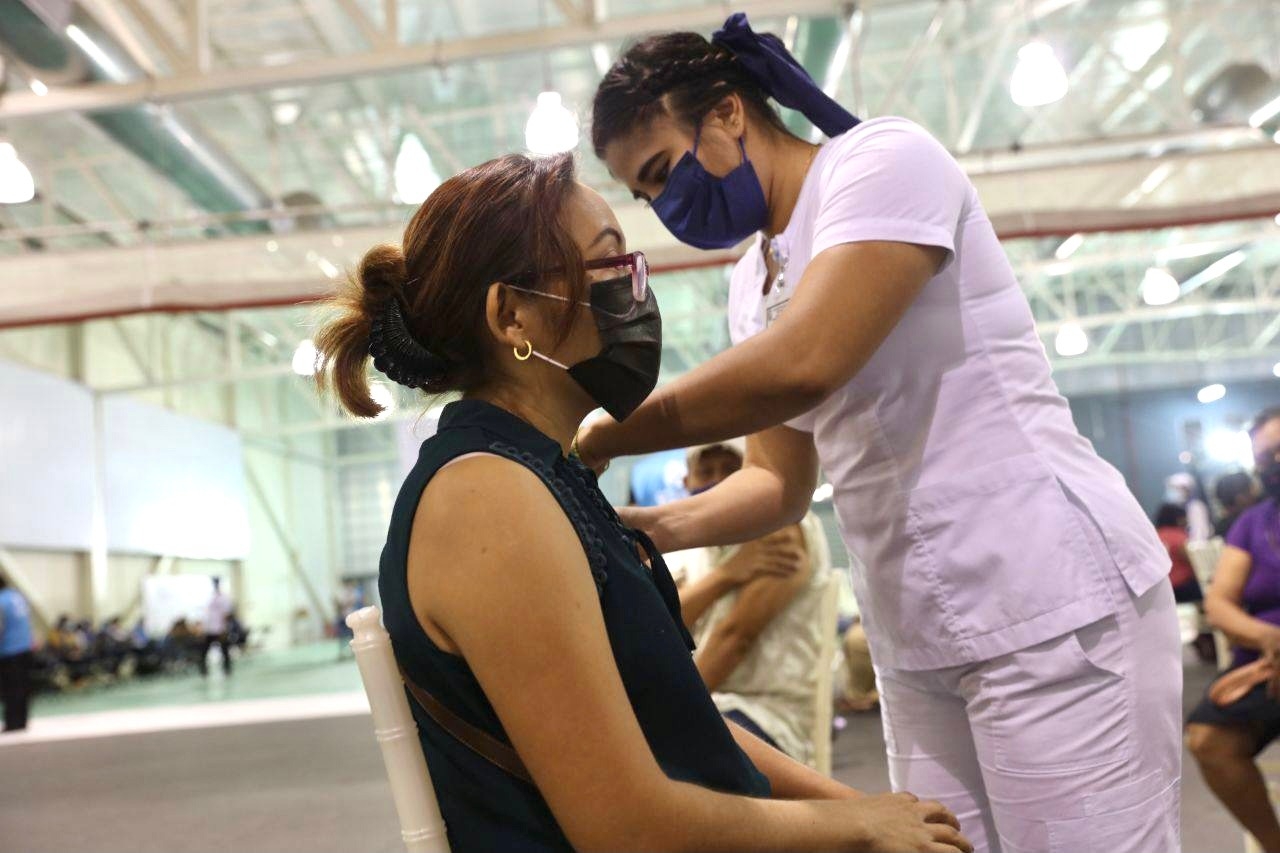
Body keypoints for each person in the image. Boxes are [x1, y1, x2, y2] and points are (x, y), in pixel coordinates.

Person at [582, 15, 1180, 853]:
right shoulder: (752, 280)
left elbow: (808, 363)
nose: (663, 206)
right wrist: (648, 529)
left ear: (725, 114)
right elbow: (779, 482)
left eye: (660, 173)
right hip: (916, 633)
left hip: (1047, 602)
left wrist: (603, 432)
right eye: (645, 196)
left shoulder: (882, 162)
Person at [312, 152, 968, 853]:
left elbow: (688, 727)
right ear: (513, 315)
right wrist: (856, 824)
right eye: (608, 263)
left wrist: (870, 808)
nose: (634, 288)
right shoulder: (486, 497)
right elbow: (626, 824)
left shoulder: (547, 473)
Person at [671, 439, 832, 765]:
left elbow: (736, 638)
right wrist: (726, 575)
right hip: (713, 702)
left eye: (731, 469)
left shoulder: (781, 528)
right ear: (687, 482)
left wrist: (673, 718)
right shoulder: (692, 548)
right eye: (706, 472)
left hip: (765, 714)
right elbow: (660, 627)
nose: (718, 481)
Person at [1189, 407, 1280, 852]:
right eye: (1266, 456)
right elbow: (1219, 604)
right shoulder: (1253, 523)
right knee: (1208, 738)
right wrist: (1267, 638)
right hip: (1266, 662)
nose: (1275, 463)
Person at [0, 576, 35, 732]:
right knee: (23, 686)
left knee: (11, 688)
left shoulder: (1, 601)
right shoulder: (17, 596)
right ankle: (22, 720)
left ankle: (12, 722)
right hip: (25, 647)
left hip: (9, 650)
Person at [1154, 503, 1202, 603]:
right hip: (1183, 588)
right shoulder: (1178, 537)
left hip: (1163, 589)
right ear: (1178, 518)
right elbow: (1194, 561)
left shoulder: (1156, 536)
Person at [199, 577, 233, 677]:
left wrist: (224, 629)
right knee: (204, 651)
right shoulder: (210, 597)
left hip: (220, 629)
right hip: (209, 629)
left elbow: (226, 615)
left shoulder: (224, 598)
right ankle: (204, 671)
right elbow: (206, 615)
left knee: (224, 651)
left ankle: (227, 670)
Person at [1167, 471, 1214, 543]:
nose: (1172, 492)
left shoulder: (1195, 507)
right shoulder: (1177, 508)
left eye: (1174, 489)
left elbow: (1199, 535)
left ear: (1185, 489)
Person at [1215, 471, 1260, 538]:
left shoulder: (1222, 527)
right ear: (1240, 498)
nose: (1255, 492)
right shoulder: (1262, 517)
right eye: (1251, 488)